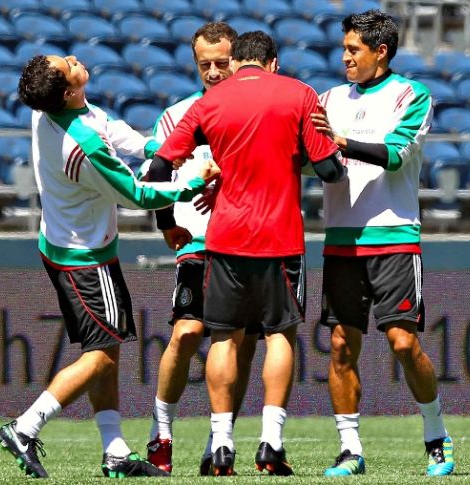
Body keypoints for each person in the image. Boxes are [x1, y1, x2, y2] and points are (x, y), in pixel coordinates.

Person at [0, 53, 220, 479]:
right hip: (86, 258)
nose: (74, 58)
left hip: (66, 244)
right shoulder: (83, 143)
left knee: (105, 349)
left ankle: (115, 451)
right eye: (68, 65)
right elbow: (136, 195)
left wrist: (168, 148)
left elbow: (116, 130)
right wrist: (193, 181)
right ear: (68, 90)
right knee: (100, 357)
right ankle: (26, 426)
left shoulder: (56, 111)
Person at [145, 31, 347, 477]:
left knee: (223, 338)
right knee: (278, 335)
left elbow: (158, 167)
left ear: (235, 61)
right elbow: (331, 171)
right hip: (281, 237)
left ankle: (220, 446)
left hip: (224, 238)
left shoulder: (207, 104)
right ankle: (270, 445)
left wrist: (188, 195)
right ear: (273, 62)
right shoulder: (301, 94)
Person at [309, 10, 455, 477]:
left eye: (354, 49)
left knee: (403, 342)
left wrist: (340, 141)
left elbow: (394, 156)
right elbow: (306, 155)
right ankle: (350, 450)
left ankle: (436, 433)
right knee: (339, 346)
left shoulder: (412, 95)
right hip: (340, 240)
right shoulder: (327, 98)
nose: (345, 56)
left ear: (381, 52)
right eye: (344, 48)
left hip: (394, 238)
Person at [139, 22, 260, 476]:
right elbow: (157, 174)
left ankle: (219, 437)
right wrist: (166, 221)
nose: (212, 72)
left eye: (221, 63)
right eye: (204, 64)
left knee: (238, 343)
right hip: (198, 239)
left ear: (238, 60)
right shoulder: (177, 114)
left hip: (249, 239)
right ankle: (161, 431)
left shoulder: (257, 110)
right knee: (187, 333)